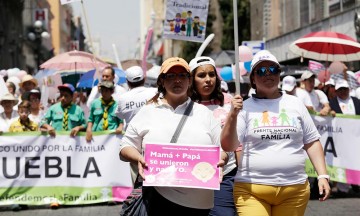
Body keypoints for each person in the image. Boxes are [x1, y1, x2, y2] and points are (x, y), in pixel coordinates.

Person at [221, 50, 331, 216]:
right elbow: (229, 146)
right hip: (252, 191)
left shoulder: (295, 104)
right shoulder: (244, 108)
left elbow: (312, 141)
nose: (268, 74)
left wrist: (322, 175)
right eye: (261, 71)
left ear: (279, 74)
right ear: (253, 78)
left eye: (273, 70)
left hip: (294, 191)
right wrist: (232, 115)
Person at [119, 57, 227, 215]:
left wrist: (221, 160)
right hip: (157, 199)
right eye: (170, 76)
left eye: (182, 75)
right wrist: (138, 159)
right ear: (162, 81)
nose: (177, 80)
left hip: (198, 203)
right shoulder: (148, 111)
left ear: (189, 80)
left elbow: (223, 148)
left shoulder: (204, 113)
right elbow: (125, 147)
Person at [189, 56, 237, 216]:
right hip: (190, 176)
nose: (208, 79)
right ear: (191, 79)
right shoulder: (184, 104)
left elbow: (239, 140)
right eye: (201, 75)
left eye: (212, 74)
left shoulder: (229, 101)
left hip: (225, 175)